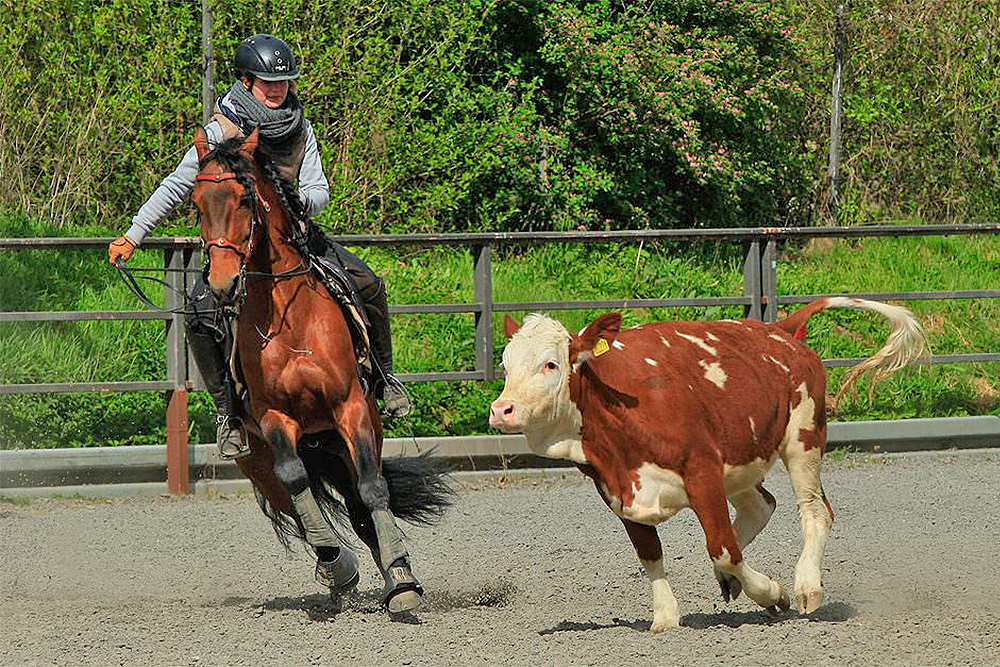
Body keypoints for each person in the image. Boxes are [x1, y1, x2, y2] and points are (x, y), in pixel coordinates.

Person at [108, 34, 412, 459]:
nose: (277, 89)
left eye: (283, 82)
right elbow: (177, 186)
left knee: (368, 283)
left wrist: (301, 201)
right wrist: (134, 234)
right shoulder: (220, 131)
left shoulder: (300, 127)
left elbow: (318, 187)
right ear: (247, 82)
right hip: (236, 246)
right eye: (268, 82)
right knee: (199, 314)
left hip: (295, 238)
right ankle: (228, 412)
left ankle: (384, 379)